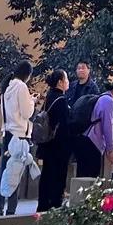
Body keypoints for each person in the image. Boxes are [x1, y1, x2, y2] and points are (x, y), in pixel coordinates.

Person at [0, 61, 35, 218]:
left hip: (7, 133)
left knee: (4, 171)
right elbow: (26, 113)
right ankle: (11, 210)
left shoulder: (7, 86)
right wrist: (32, 101)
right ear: (27, 74)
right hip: (19, 135)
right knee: (15, 173)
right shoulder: (21, 87)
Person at [36, 71, 71, 214]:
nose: (68, 82)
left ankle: (42, 205)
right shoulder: (61, 100)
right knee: (57, 177)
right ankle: (55, 206)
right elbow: (64, 125)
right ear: (60, 82)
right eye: (66, 79)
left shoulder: (49, 96)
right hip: (58, 146)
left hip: (47, 144)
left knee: (46, 175)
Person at [84, 81, 113, 180]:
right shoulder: (109, 101)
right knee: (92, 176)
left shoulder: (102, 97)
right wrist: (110, 149)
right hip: (94, 140)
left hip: (86, 137)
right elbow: (107, 126)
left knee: (83, 174)